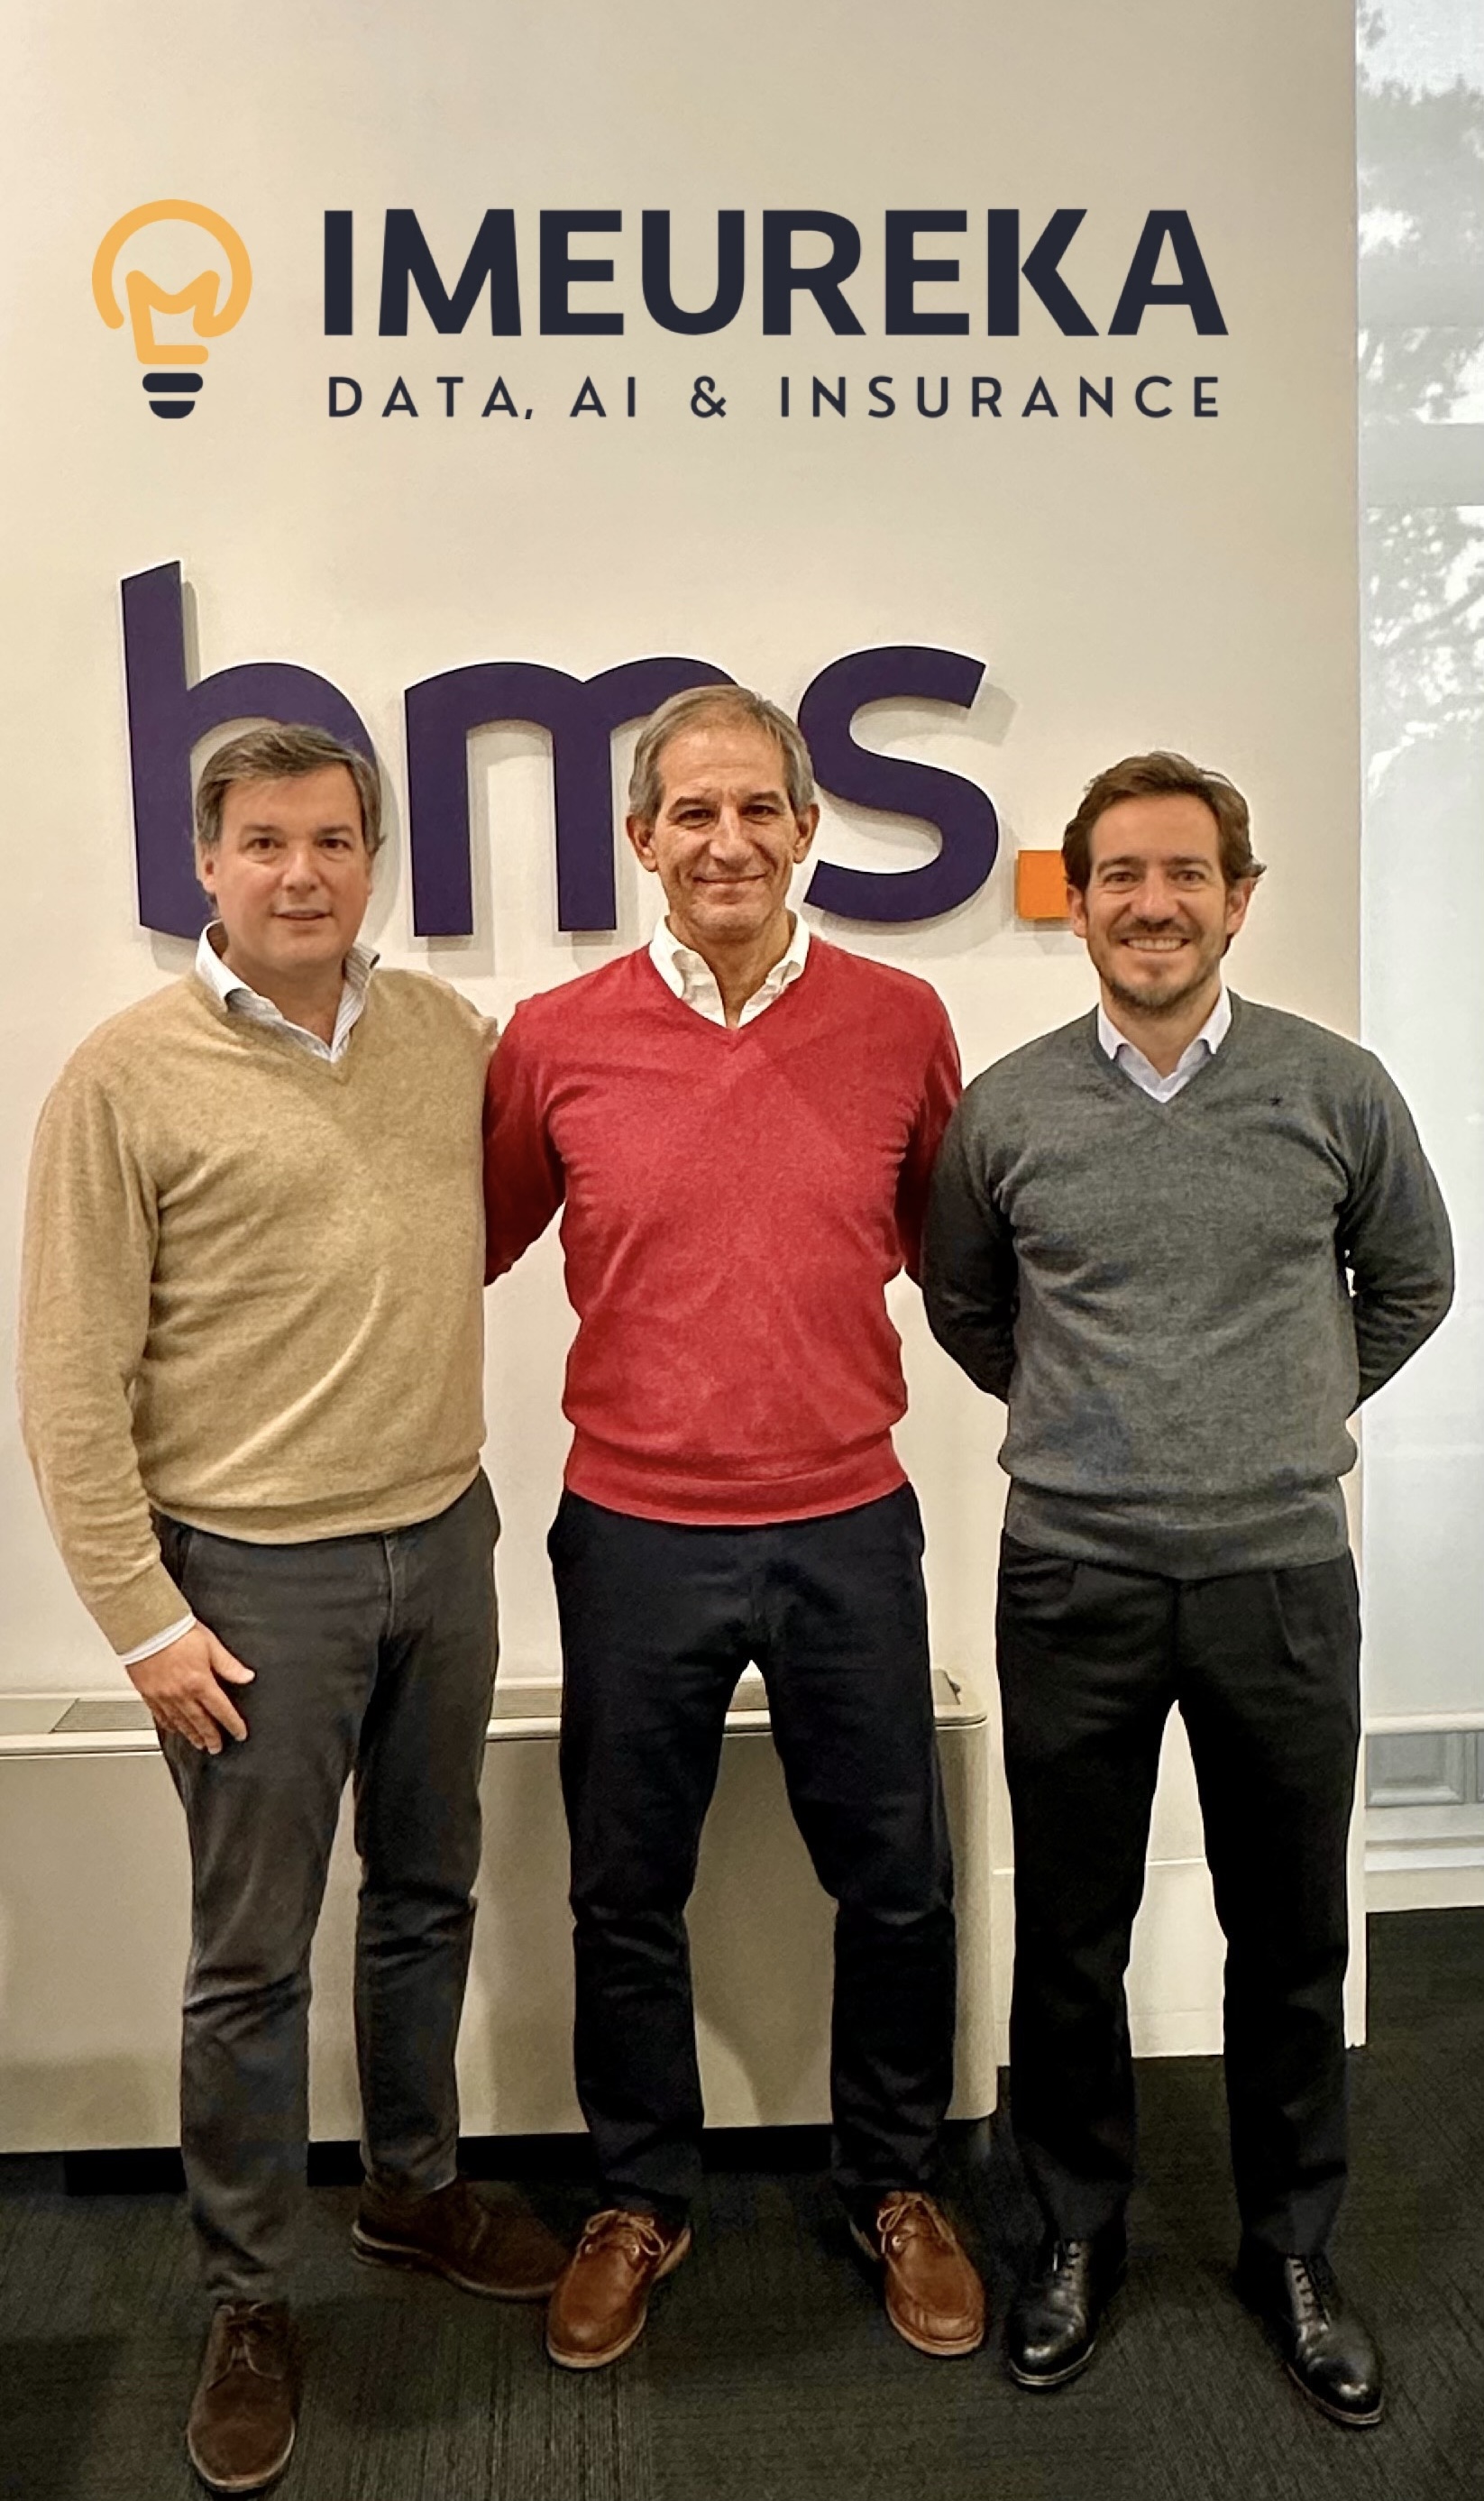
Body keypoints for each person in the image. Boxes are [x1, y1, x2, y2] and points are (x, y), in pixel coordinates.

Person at [18, 723, 564, 2496]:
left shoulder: (445, 1038)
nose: (303, 872)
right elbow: (68, 1380)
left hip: (443, 1539)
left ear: (372, 856)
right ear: (208, 863)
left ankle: (412, 2189)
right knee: (248, 1961)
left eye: (333, 838)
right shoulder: (124, 1076)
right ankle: (248, 2295)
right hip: (248, 1581)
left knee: (425, 1895)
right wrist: (142, 1618)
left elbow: (474, 1229)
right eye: (265, 841)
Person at [922, 750, 1453, 2427]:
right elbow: (965, 1305)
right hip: (1071, 1577)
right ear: (1076, 902)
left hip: (1276, 1577)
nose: (1151, 904)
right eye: (1119, 877)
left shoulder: (1334, 1088)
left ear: (1237, 896)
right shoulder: (1007, 1108)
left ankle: (1291, 2248)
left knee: (1286, 1933)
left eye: (1184, 874)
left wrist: (1279, 1417)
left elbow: (1413, 1282)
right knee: (1069, 1937)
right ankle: (1074, 2234)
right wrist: (1094, 1427)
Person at [481, 685, 984, 2372]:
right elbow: (456, 1242)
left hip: (847, 1521)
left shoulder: (900, 1019)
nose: (727, 841)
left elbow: (947, 1251)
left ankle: (894, 2182)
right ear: (640, 838)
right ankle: (639, 2197)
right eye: (692, 812)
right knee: (626, 1889)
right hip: (633, 1531)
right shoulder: (554, 1037)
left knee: (896, 1883)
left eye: (758, 807)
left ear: (806, 827)